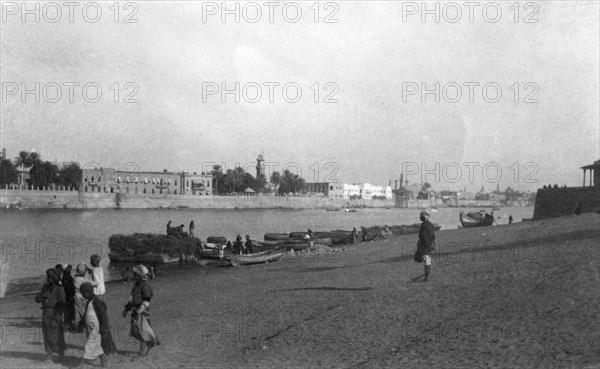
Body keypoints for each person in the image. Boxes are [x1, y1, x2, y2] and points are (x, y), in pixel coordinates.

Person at [123, 265, 160, 357]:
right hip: (135, 310)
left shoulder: (146, 287)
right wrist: (127, 308)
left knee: (141, 331)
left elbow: (147, 301)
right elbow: (131, 298)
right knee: (135, 331)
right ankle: (153, 340)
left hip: (142, 312)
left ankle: (141, 352)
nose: (134, 276)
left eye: (135, 275)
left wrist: (139, 311)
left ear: (138, 276)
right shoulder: (136, 285)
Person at [77, 282, 116, 368]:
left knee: (89, 344)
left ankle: (81, 364)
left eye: (83, 293)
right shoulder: (89, 301)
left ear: (88, 292)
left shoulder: (97, 302)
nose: (82, 295)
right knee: (96, 345)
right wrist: (82, 323)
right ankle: (103, 360)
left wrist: (104, 329)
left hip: (96, 328)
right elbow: (86, 313)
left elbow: (103, 317)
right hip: (91, 328)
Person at [35, 268, 67, 363]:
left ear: (54, 278)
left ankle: (61, 354)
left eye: (49, 277)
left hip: (55, 313)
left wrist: (56, 319)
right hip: (46, 313)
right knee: (46, 334)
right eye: (47, 277)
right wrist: (40, 295)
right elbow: (37, 299)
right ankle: (49, 355)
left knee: (57, 335)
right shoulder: (45, 287)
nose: (48, 279)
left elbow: (61, 305)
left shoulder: (60, 290)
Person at [73, 263, 97, 331]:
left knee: (77, 312)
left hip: (76, 296)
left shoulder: (75, 278)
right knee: (85, 311)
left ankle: (77, 325)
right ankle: (85, 325)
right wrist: (91, 273)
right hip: (83, 296)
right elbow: (96, 283)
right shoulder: (84, 280)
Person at [416, 210, 436, 282]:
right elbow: (433, 236)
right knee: (428, 261)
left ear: (425, 217)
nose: (420, 217)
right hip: (430, 245)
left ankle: (426, 278)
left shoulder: (424, 225)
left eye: (421, 216)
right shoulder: (430, 224)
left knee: (426, 262)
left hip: (425, 246)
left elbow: (424, 236)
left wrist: (425, 245)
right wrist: (432, 244)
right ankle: (427, 276)